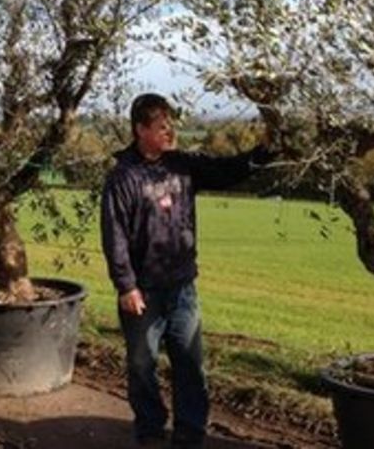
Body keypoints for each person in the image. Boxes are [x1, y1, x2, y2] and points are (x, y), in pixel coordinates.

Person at [101, 93, 273, 448]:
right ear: (140, 130)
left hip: (182, 288)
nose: (169, 132)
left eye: (171, 125)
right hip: (143, 291)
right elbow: (114, 235)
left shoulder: (182, 165)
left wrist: (261, 154)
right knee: (141, 365)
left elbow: (226, 172)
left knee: (190, 362)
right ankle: (150, 429)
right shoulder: (123, 177)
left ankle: (190, 431)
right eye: (161, 126)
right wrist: (126, 286)